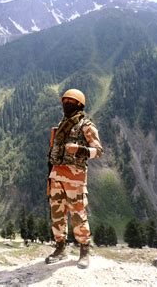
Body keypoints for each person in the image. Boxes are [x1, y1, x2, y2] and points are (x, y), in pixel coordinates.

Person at [45, 88, 103, 269]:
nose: (66, 104)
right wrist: (50, 176)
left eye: (70, 102)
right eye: (64, 101)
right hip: (56, 176)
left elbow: (98, 151)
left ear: (79, 105)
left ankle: (84, 250)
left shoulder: (87, 126)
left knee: (78, 215)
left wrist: (79, 150)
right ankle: (60, 248)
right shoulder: (62, 124)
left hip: (75, 179)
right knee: (57, 214)